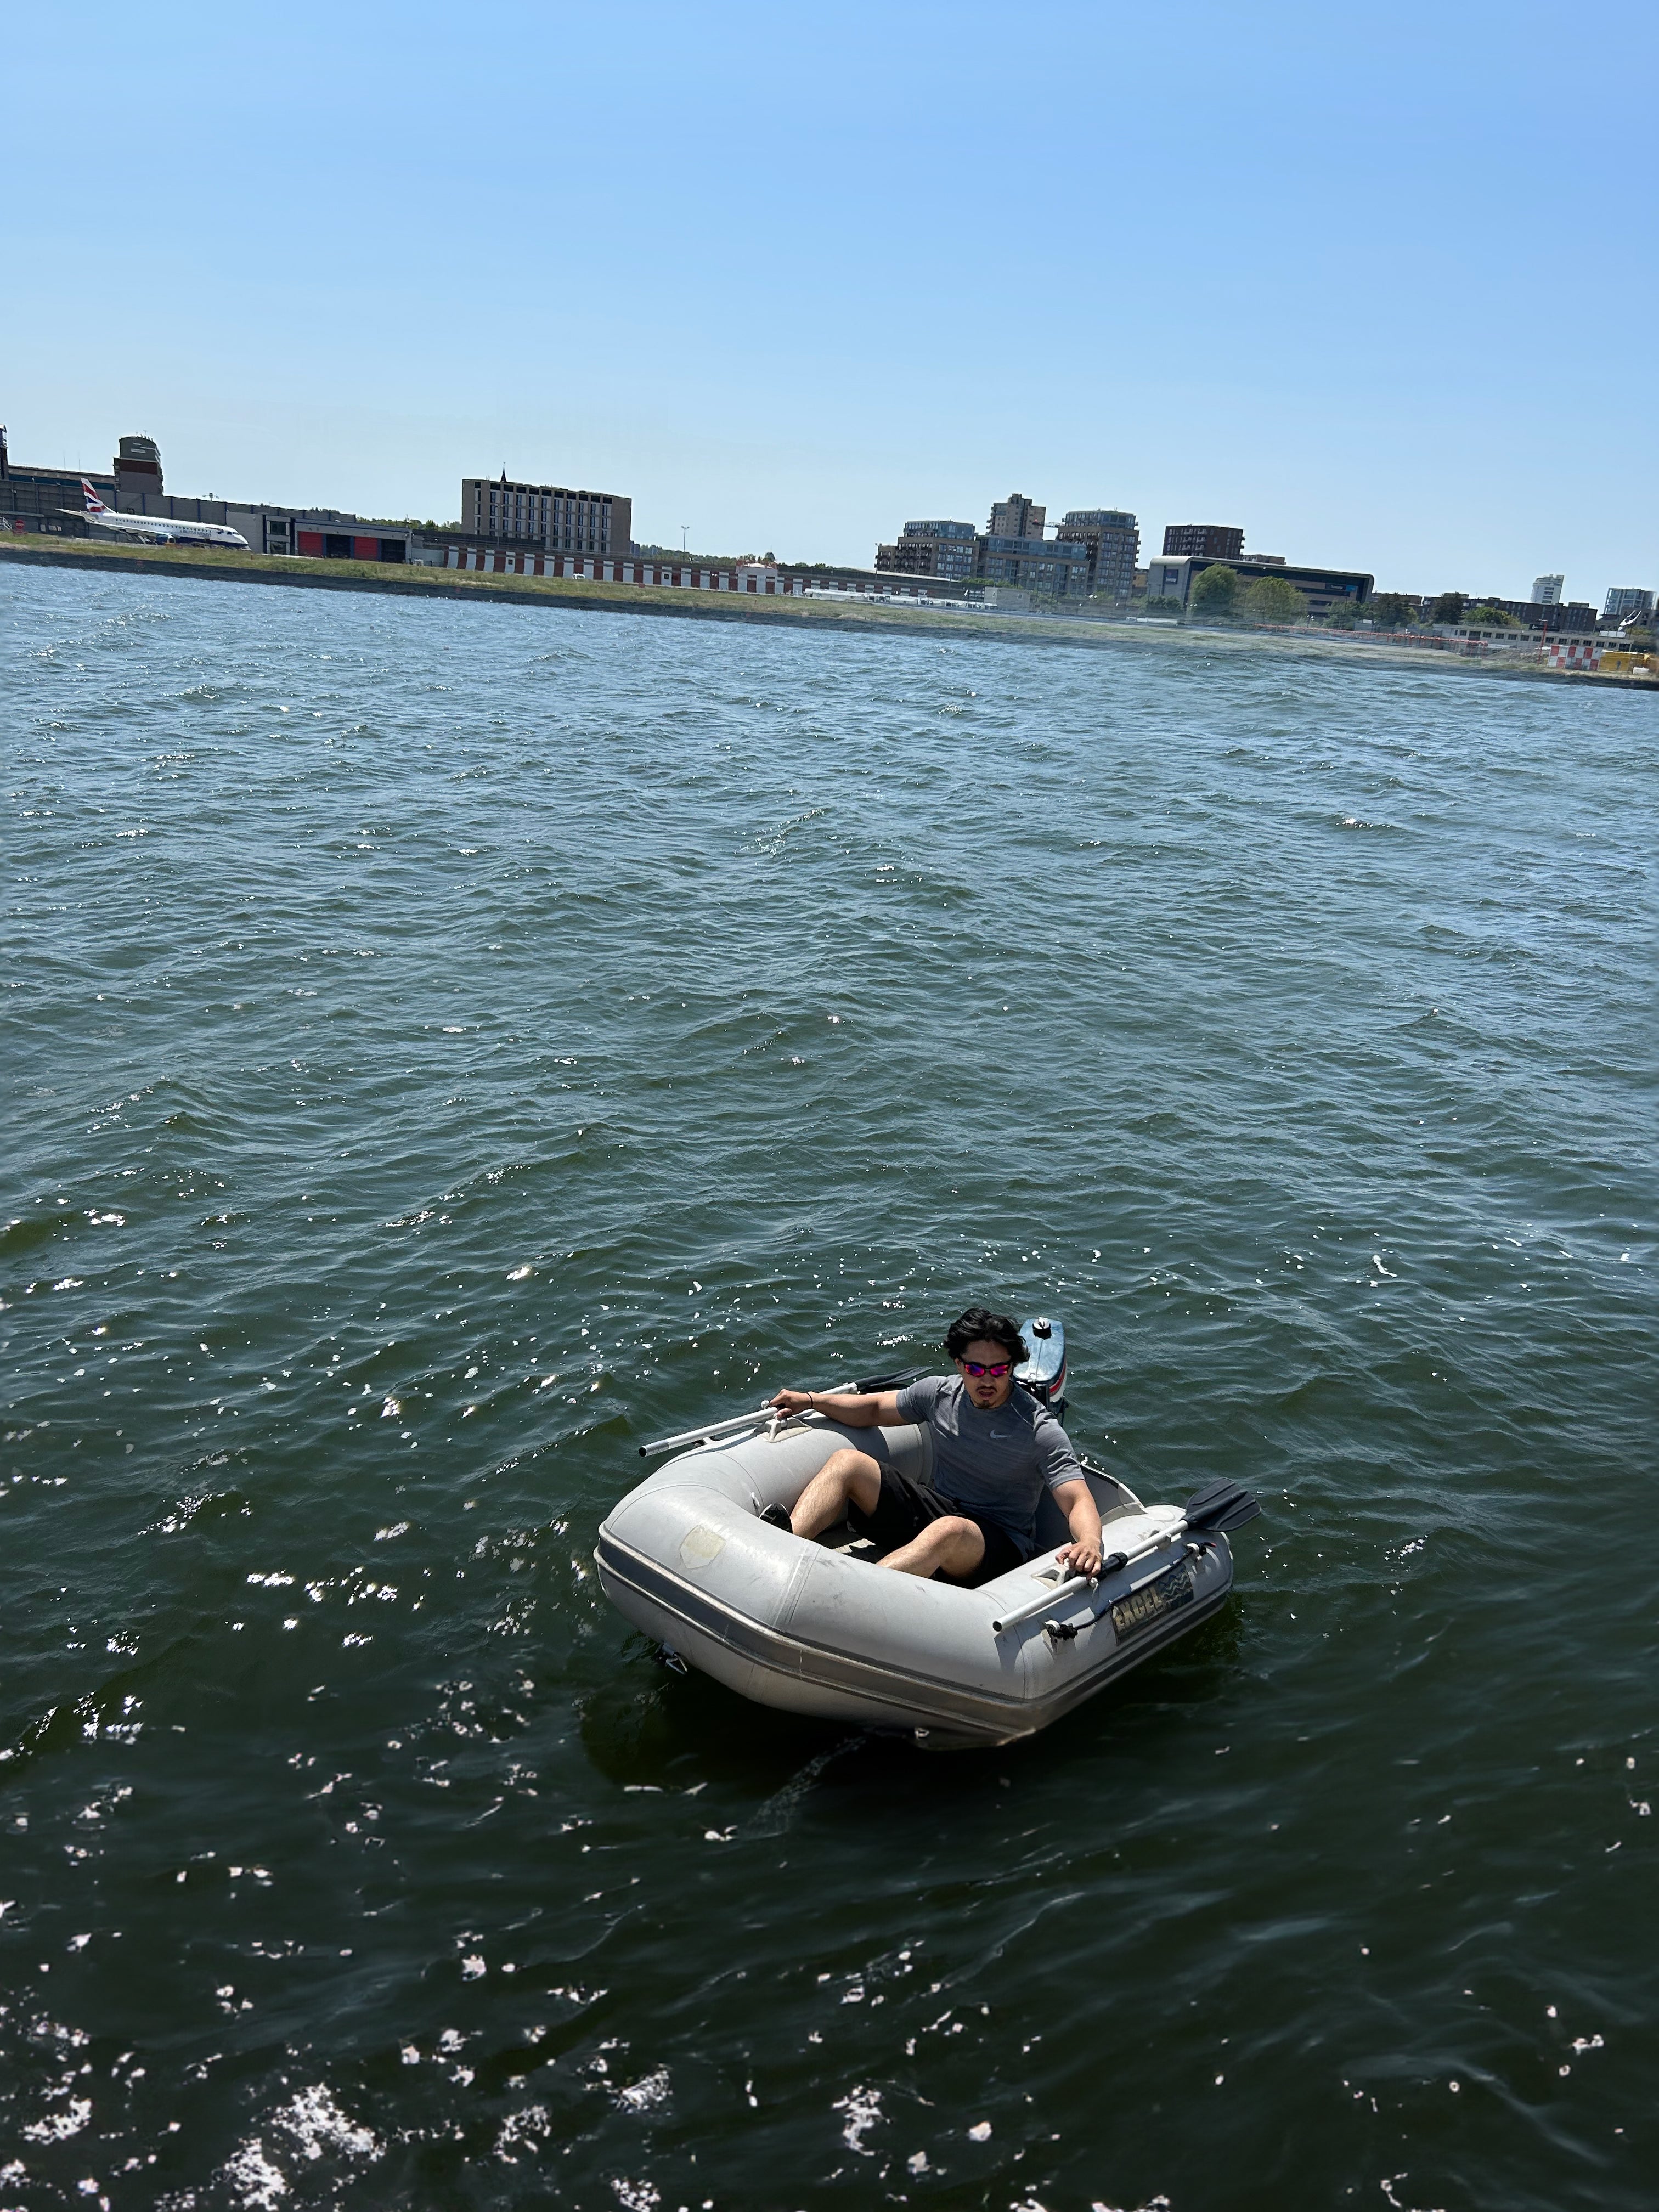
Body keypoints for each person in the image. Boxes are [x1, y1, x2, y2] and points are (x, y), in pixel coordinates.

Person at [765, 1307, 1103, 1587]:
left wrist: (1089, 1541)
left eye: (999, 1369)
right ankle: (783, 1548)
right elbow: (872, 1409)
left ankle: (860, 1594)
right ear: (959, 1364)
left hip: (998, 1544)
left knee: (951, 1530)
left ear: (1011, 1367)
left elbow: (1076, 1499)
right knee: (847, 1463)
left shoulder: (1038, 1428)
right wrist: (811, 1400)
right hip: (941, 1510)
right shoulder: (939, 1394)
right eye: (976, 1368)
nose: (987, 1380)